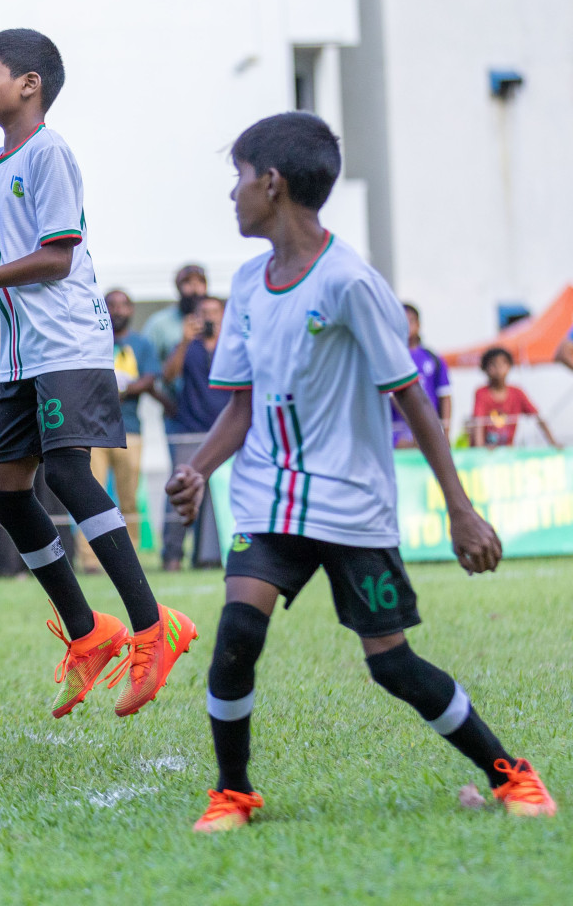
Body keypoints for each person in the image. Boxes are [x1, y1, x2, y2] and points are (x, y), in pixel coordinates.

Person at [165, 111, 555, 832]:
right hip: (268, 501)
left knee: (393, 666)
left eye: (240, 178)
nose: (233, 195)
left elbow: (411, 395)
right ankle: (233, 792)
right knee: (235, 640)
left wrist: (460, 508)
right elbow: (240, 411)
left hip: (351, 508)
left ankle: (512, 775)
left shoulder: (351, 282)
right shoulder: (247, 286)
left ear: (273, 184)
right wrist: (197, 470)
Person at [0, 28, 197, 723]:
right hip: (19, 354)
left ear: (29, 84)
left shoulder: (50, 154)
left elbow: (55, 258)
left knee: (70, 475)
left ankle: (152, 623)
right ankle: (89, 632)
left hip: (69, 344)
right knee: (4, 492)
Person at [75, 290, 162, 573]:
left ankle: (131, 556)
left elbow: (149, 378)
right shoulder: (91, 341)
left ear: (132, 309)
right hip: (92, 430)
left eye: (123, 304)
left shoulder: (141, 343)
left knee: (128, 497)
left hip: (129, 430)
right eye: (111, 305)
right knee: (89, 495)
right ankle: (89, 560)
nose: (117, 310)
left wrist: (120, 390)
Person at [161, 297, 231, 569]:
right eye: (204, 313)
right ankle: (173, 556)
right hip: (191, 431)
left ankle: (210, 557)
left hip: (226, 432)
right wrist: (184, 341)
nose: (210, 318)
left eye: (214, 312)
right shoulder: (188, 346)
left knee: (222, 499)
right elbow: (167, 376)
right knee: (182, 490)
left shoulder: (232, 345)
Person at [469, 347, 558, 449]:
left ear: (510, 366)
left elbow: (538, 417)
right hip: (487, 452)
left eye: (503, 363)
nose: (499, 368)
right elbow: (478, 423)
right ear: (485, 368)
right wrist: (480, 450)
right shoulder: (481, 393)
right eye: (493, 364)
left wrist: (553, 443)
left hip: (507, 452)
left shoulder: (517, 393)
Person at [391, 304, 451, 448]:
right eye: (401, 321)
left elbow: (445, 395)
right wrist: (415, 426)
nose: (407, 326)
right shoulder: (391, 358)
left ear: (418, 325)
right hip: (399, 433)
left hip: (430, 428)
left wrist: (445, 432)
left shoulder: (432, 358)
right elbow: (392, 396)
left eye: (410, 321)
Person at [142, 264, 208, 364]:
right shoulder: (160, 322)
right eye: (188, 282)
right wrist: (184, 342)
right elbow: (147, 363)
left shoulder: (219, 321)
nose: (195, 288)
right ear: (178, 287)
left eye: (200, 282)